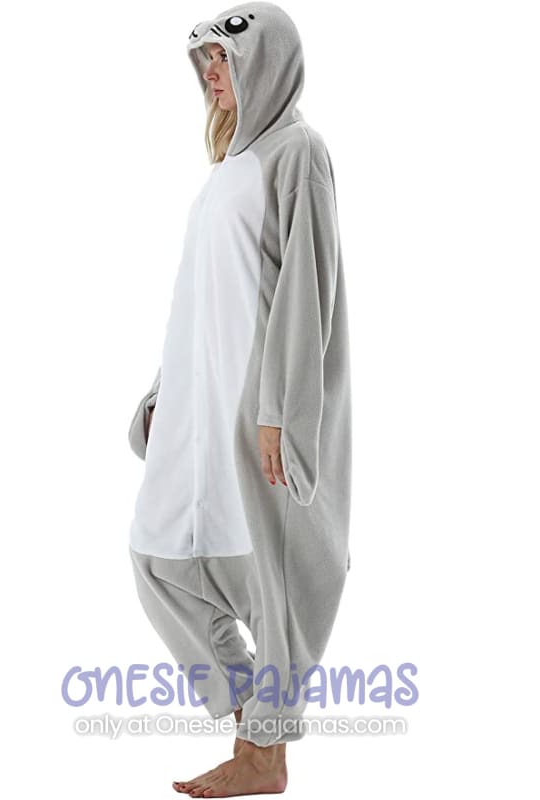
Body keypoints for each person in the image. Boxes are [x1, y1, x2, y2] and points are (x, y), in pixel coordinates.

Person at [127, 2, 352, 796]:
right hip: (202, 406)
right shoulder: (227, 167)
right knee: (159, 557)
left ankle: (264, 753)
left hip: (258, 407)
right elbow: (198, 296)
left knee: (274, 580)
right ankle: (254, 721)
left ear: (268, 62)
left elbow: (306, 292)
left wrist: (281, 411)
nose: (213, 74)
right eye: (206, 63)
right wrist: (162, 396)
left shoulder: (298, 153)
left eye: (225, 58)